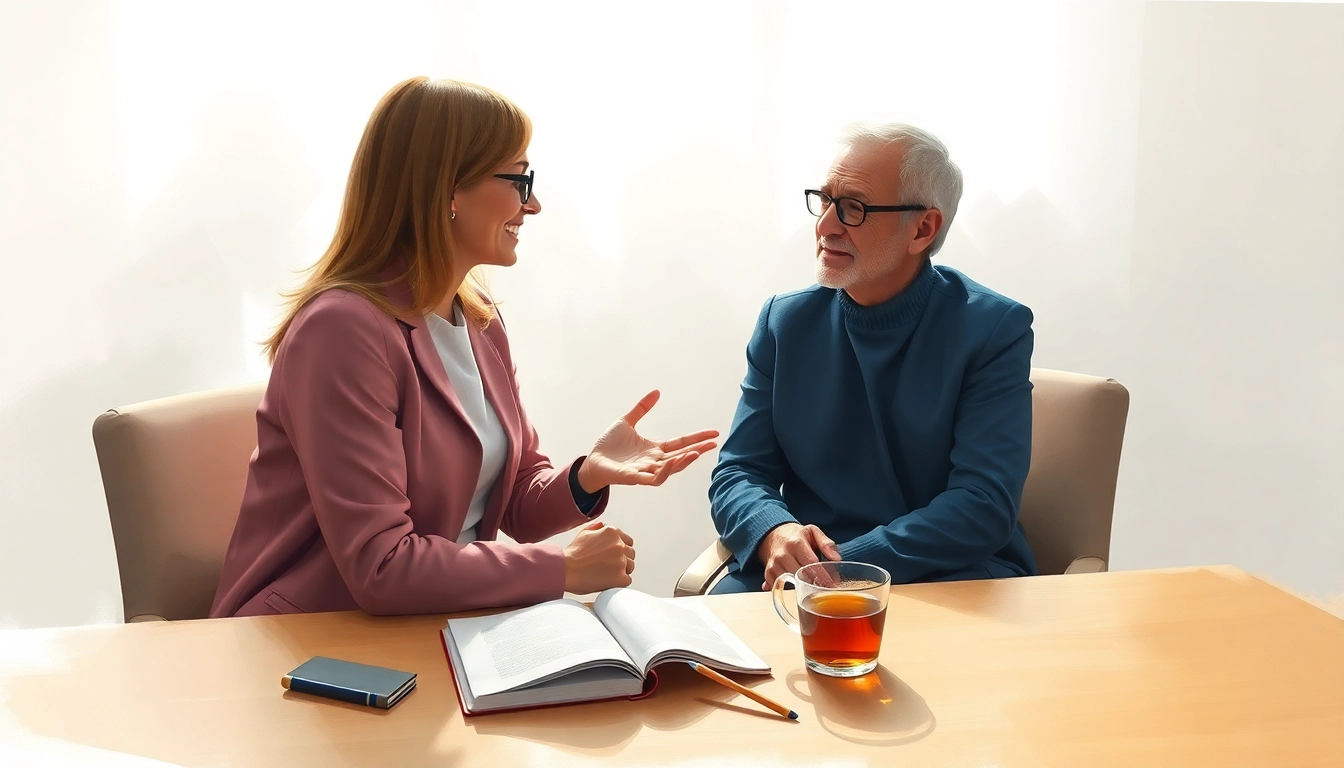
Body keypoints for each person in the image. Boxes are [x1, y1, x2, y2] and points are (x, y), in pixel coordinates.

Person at [211, 77, 717, 617]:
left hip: (441, 622)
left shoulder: (479, 319)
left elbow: (514, 499)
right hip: (316, 638)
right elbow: (382, 567)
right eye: (520, 180)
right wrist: (562, 569)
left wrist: (585, 474)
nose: (534, 204)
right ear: (449, 189)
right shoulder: (341, 331)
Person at [708, 123, 1037, 593]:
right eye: (824, 200)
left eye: (853, 208)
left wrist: (842, 568)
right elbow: (740, 471)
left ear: (923, 229)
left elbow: (983, 505)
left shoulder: (992, 329)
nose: (825, 225)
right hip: (803, 573)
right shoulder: (785, 322)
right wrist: (774, 531)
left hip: (945, 576)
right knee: (704, 634)